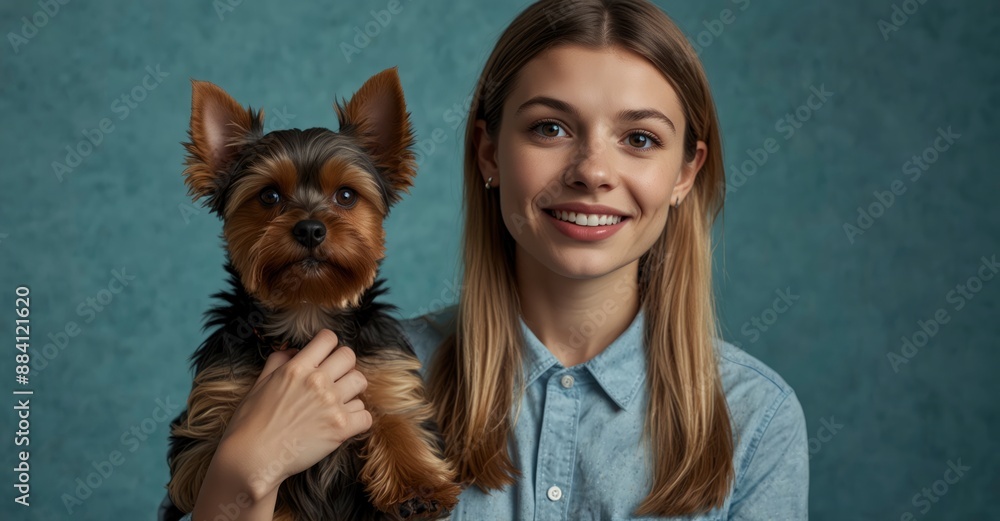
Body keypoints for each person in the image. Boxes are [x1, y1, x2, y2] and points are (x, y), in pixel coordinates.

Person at [162, 0, 808, 519]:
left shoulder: (756, 416)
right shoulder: (357, 377)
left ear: (685, 172)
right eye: (550, 128)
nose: (593, 172)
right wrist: (240, 481)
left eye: (640, 138)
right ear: (489, 152)